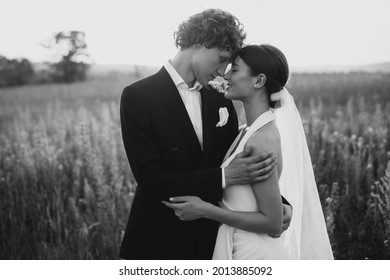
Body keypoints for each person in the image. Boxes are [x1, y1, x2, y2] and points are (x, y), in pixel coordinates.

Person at [119, 9, 292, 260]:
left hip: (213, 244)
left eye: (229, 65)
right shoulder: (138, 96)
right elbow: (151, 180)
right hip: (158, 241)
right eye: (222, 59)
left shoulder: (220, 99)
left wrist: (280, 204)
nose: (223, 72)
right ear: (200, 43)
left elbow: (236, 160)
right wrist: (223, 177)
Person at [163, 44, 333, 259]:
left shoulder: (262, 139)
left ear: (258, 81)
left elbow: (272, 222)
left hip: (256, 253)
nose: (226, 77)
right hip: (239, 246)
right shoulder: (247, 131)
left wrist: (205, 210)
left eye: (234, 70)